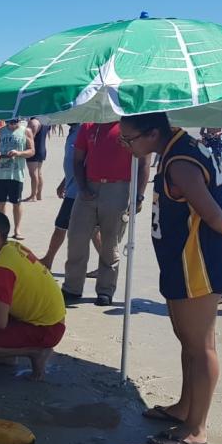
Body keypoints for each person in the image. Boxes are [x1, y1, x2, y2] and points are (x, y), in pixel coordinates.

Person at [120, 113, 222, 444]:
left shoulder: (180, 160)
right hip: (179, 261)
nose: (127, 147)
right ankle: (184, 408)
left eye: (130, 140)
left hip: (198, 263)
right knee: (188, 342)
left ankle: (197, 428)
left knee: (202, 346)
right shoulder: (176, 143)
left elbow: (210, 211)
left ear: (152, 133)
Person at [0, 212, 66, 380]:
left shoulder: (3, 269)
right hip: (41, 317)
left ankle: (35, 352)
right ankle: (6, 354)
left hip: (47, 328)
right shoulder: (8, 247)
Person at [62, 122, 150, 306]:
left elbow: (143, 163)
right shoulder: (88, 126)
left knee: (111, 243)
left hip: (118, 188)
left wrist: (139, 196)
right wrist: (82, 187)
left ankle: (105, 289)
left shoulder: (131, 126)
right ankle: (72, 287)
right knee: (76, 237)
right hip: (88, 186)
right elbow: (78, 160)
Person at [39, 123, 102, 270]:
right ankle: (106, 264)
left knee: (61, 226)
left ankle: (48, 260)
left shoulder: (84, 130)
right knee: (92, 230)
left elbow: (86, 161)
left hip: (78, 192)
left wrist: (83, 187)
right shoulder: (73, 130)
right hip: (72, 187)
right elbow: (74, 163)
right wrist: (64, 182)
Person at [0, 118, 34, 240]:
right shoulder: (0, 131)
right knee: (0, 202)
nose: (12, 123)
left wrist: (18, 153)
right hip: (1, 173)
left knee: (16, 202)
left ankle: (17, 229)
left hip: (16, 173)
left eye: (15, 120)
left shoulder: (26, 131)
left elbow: (32, 151)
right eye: (10, 120)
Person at [24, 117, 49, 202]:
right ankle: (38, 195)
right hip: (42, 148)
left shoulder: (33, 122)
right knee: (38, 173)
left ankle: (33, 195)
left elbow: (31, 138)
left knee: (33, 173)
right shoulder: (44, 121)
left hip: (34, 149)